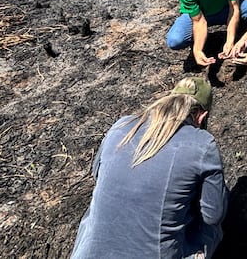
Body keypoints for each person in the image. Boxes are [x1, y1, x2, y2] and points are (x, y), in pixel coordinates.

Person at [71, 76, 229, 258]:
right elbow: (212, 216)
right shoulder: (202, 144)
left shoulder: (122, 125)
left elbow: (97, 175)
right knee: (212, 221)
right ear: (202, 117)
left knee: (94, 211)